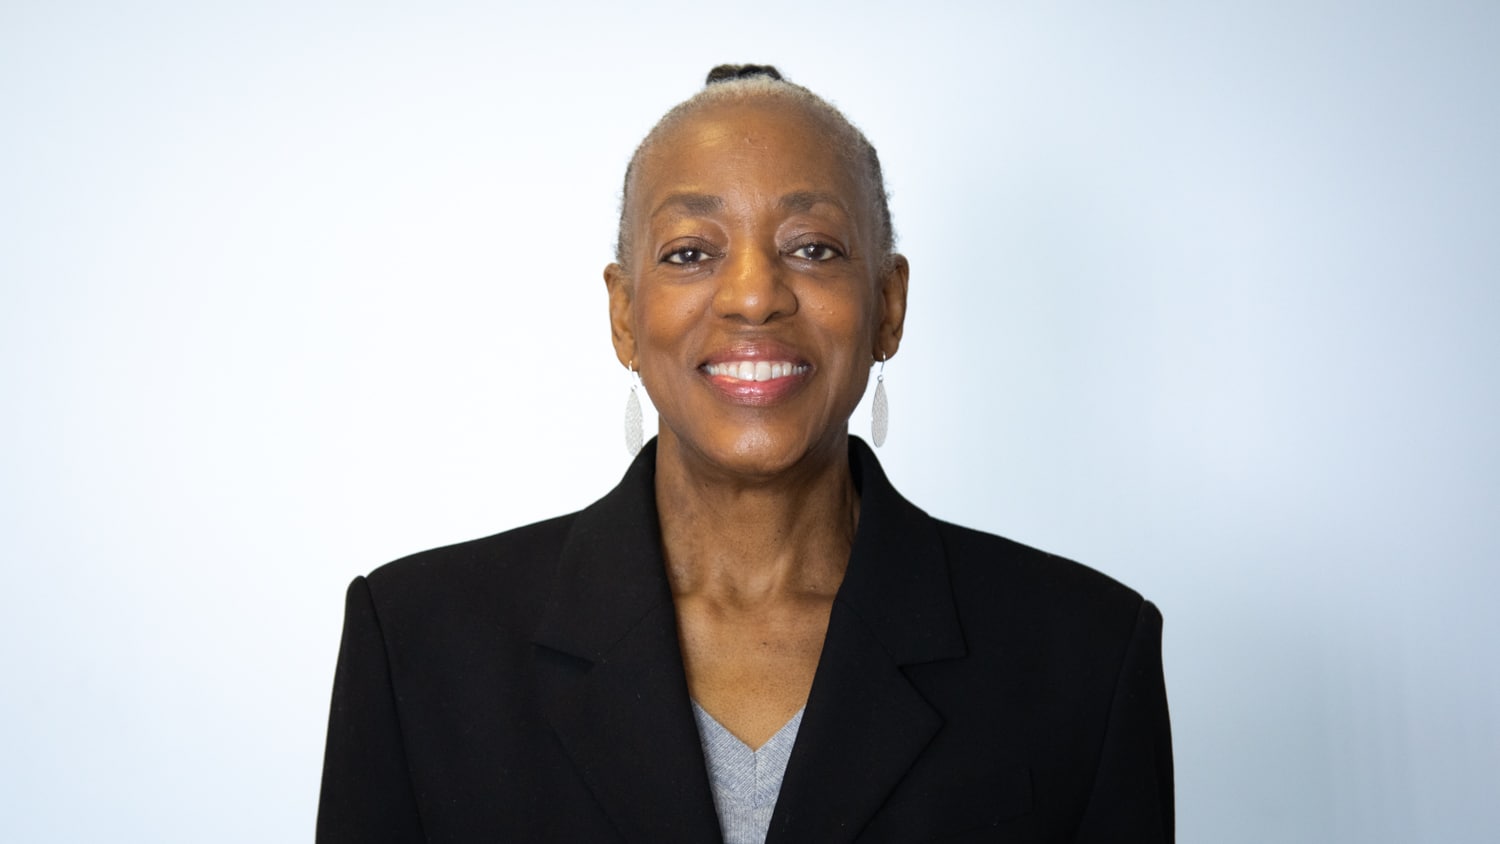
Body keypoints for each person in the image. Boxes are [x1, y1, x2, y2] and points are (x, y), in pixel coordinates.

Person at [317, 64, 1173, 843]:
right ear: (624, 314)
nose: (755, 295)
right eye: (691, 253)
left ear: (888, 307)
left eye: (813, 249)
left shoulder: (1085, 657)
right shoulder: (419, 646)